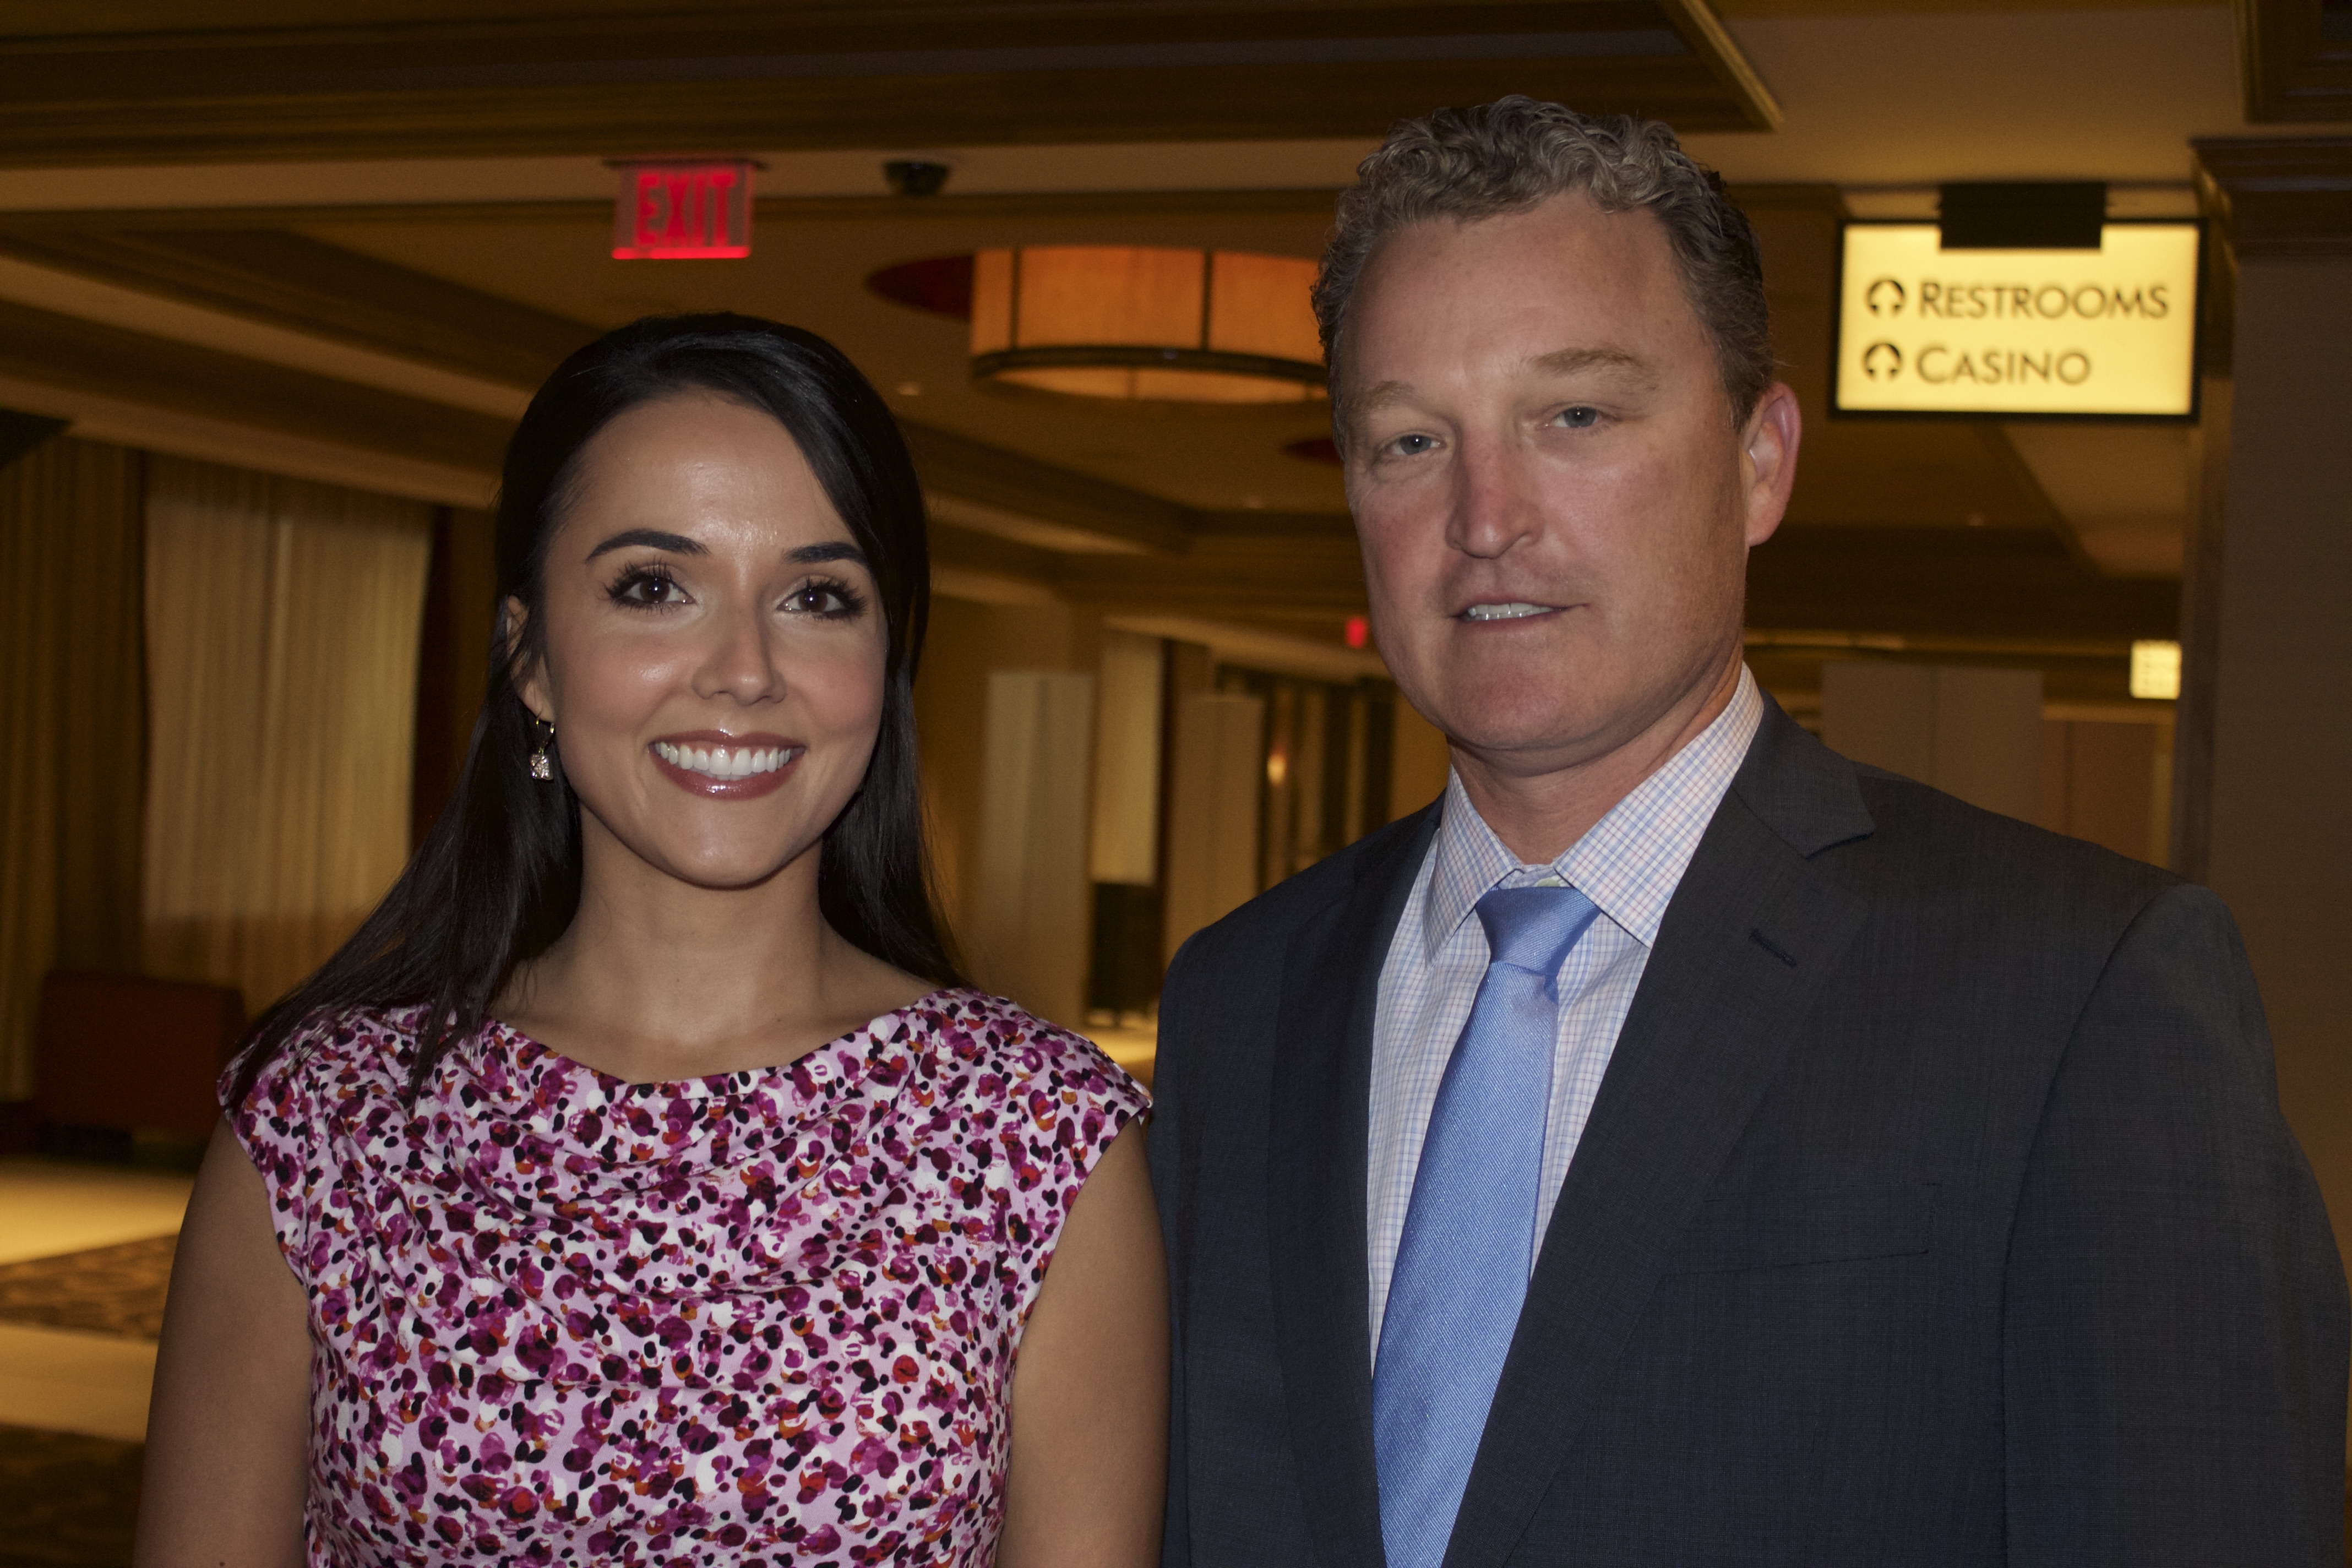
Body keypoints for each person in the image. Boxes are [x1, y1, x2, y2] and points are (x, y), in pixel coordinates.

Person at [1148, 96, 2348, 1567]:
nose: (1486, 515)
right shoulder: (1241, 999)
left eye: (1577, 416)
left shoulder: (2077, 997)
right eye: (1410, 439)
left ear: (1761, 460)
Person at [137, 315, 1166, 1568]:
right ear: (529, 655)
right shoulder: (324, 1125)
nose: (744, 669)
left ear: (885, 658)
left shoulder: (1035, 1136)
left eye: (818, 597)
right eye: (653, 587)